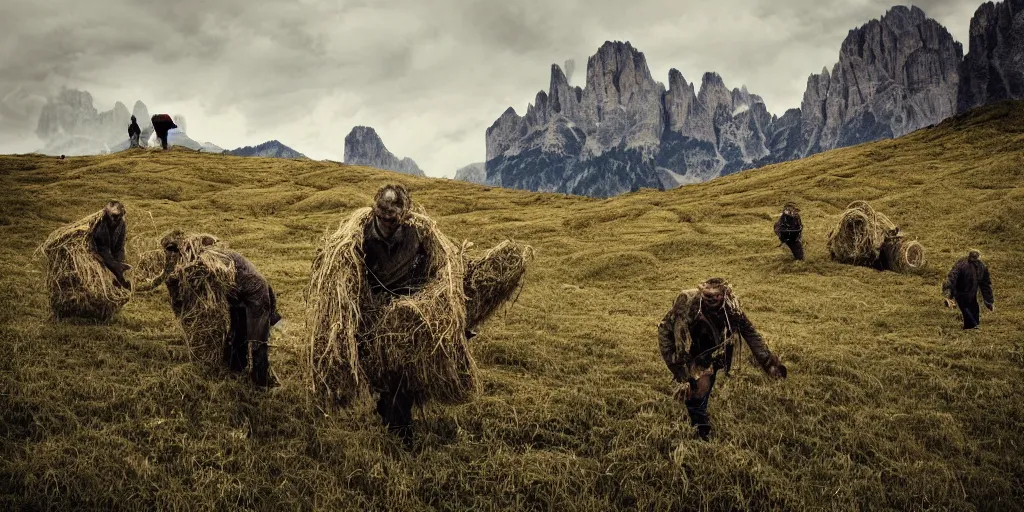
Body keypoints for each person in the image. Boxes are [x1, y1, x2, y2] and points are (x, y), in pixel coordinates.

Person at [657, 278, 788, 440]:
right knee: (698, 385)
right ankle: (699, 426)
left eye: (717, 296)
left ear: (724, 295)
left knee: (707, 380)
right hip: (683, 344)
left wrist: (768, 361)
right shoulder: (688, 305)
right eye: (708, 296)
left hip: (712, 345)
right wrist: (684, 374)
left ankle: (698, 411)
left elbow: (749, 332)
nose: (712, 300)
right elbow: (678, 341)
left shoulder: (731, 308)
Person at [147, 231, 281, 386]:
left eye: (170, 251)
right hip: (236, 294)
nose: (169, 256)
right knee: (237, 331)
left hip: (254, 291)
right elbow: (170, 280)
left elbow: (211, 284)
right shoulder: (190, 260)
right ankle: (236, 369)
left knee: (257, 337)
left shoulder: (207, 258)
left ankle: (261, 381)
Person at [942, 250, 994, 330]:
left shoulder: (962, 264)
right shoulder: (981, 266)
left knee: (969, 309)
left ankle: (972, 327)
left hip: (962, 292)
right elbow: (985, 285)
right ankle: (973, 327)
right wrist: (989, 301)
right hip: (966, 292)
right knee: (971, 309)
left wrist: (948, 294)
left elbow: (951, 278)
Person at [92, 200, 131, 288]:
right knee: (113, 266)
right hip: (98, 250)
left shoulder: (122, 224)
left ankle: (121, 283)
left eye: (117, 216)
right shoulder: (100, 222)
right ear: (108, 213)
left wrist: (119, 261)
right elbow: (100, 246)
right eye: (112, 215)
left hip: (111, 251)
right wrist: (114, 264)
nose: (114, 218)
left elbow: (120, 246)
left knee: (120, 266)